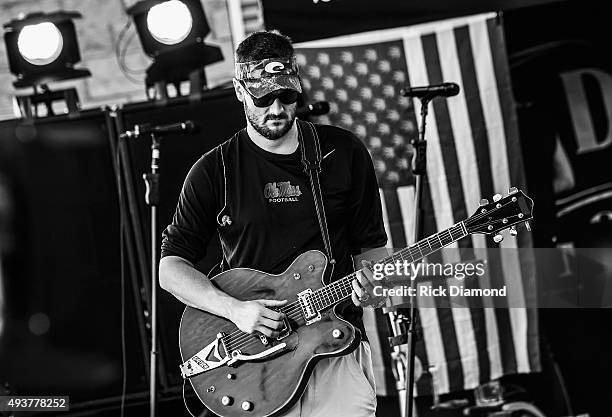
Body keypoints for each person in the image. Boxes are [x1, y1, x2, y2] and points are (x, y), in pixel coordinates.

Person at [159, 30, 388, 417]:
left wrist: (374, 289)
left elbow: (372, 249)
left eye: (287, 95)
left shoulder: (342, 152)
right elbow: (171, 269)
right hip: (254, 359)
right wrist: (234, 310)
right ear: (238, 90)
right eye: (263, 97)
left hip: (333, 346)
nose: (277, 109)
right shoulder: (214, 170)